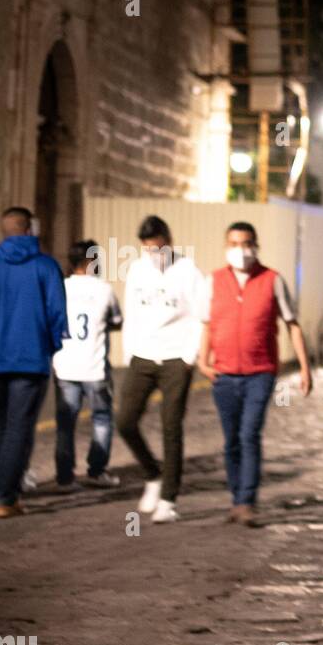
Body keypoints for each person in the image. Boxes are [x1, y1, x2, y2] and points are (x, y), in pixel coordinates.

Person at [197, 222, 312, 525]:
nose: (241, 249)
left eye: (247, 243)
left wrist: (304, 367)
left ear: (256, 245)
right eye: (234, 243)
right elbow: (207, 323)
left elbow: (292, 324)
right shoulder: (214, 281)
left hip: (260, 373)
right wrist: (202, 360)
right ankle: (237, 498)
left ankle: (247, 500)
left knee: (249, 434)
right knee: (231, 440)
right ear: (226, 246)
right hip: (223, 375)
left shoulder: (273, 280)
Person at [0, 206, 68, 518]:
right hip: (30, 357)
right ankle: (6, 496)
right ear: (30, 229)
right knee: (19, 427)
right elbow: (57, 313)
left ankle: (8, 487)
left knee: (1, 423)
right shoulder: (46, 266)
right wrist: (50, 345)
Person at [116, 215, 208, 523]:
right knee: (125, 421)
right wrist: (130, 352)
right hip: (142, 356)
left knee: (171, 426)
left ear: (168, 241)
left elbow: (200, 317)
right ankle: (152, 474)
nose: (153, 255)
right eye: (147, 249)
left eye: (158, 248)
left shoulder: (188, 271)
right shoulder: (137, 270)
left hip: (174, 359)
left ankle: (169, 498)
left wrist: (188, 357)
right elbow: (131, 313)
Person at [52, 240, 122, 491]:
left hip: (64, 366)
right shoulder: (103, 289)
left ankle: (64, 477)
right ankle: (97, 470)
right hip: (94, 367)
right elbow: (116, 320)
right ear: (92, 262)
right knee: (102, 419)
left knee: (65, 423)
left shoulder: (59, 287)